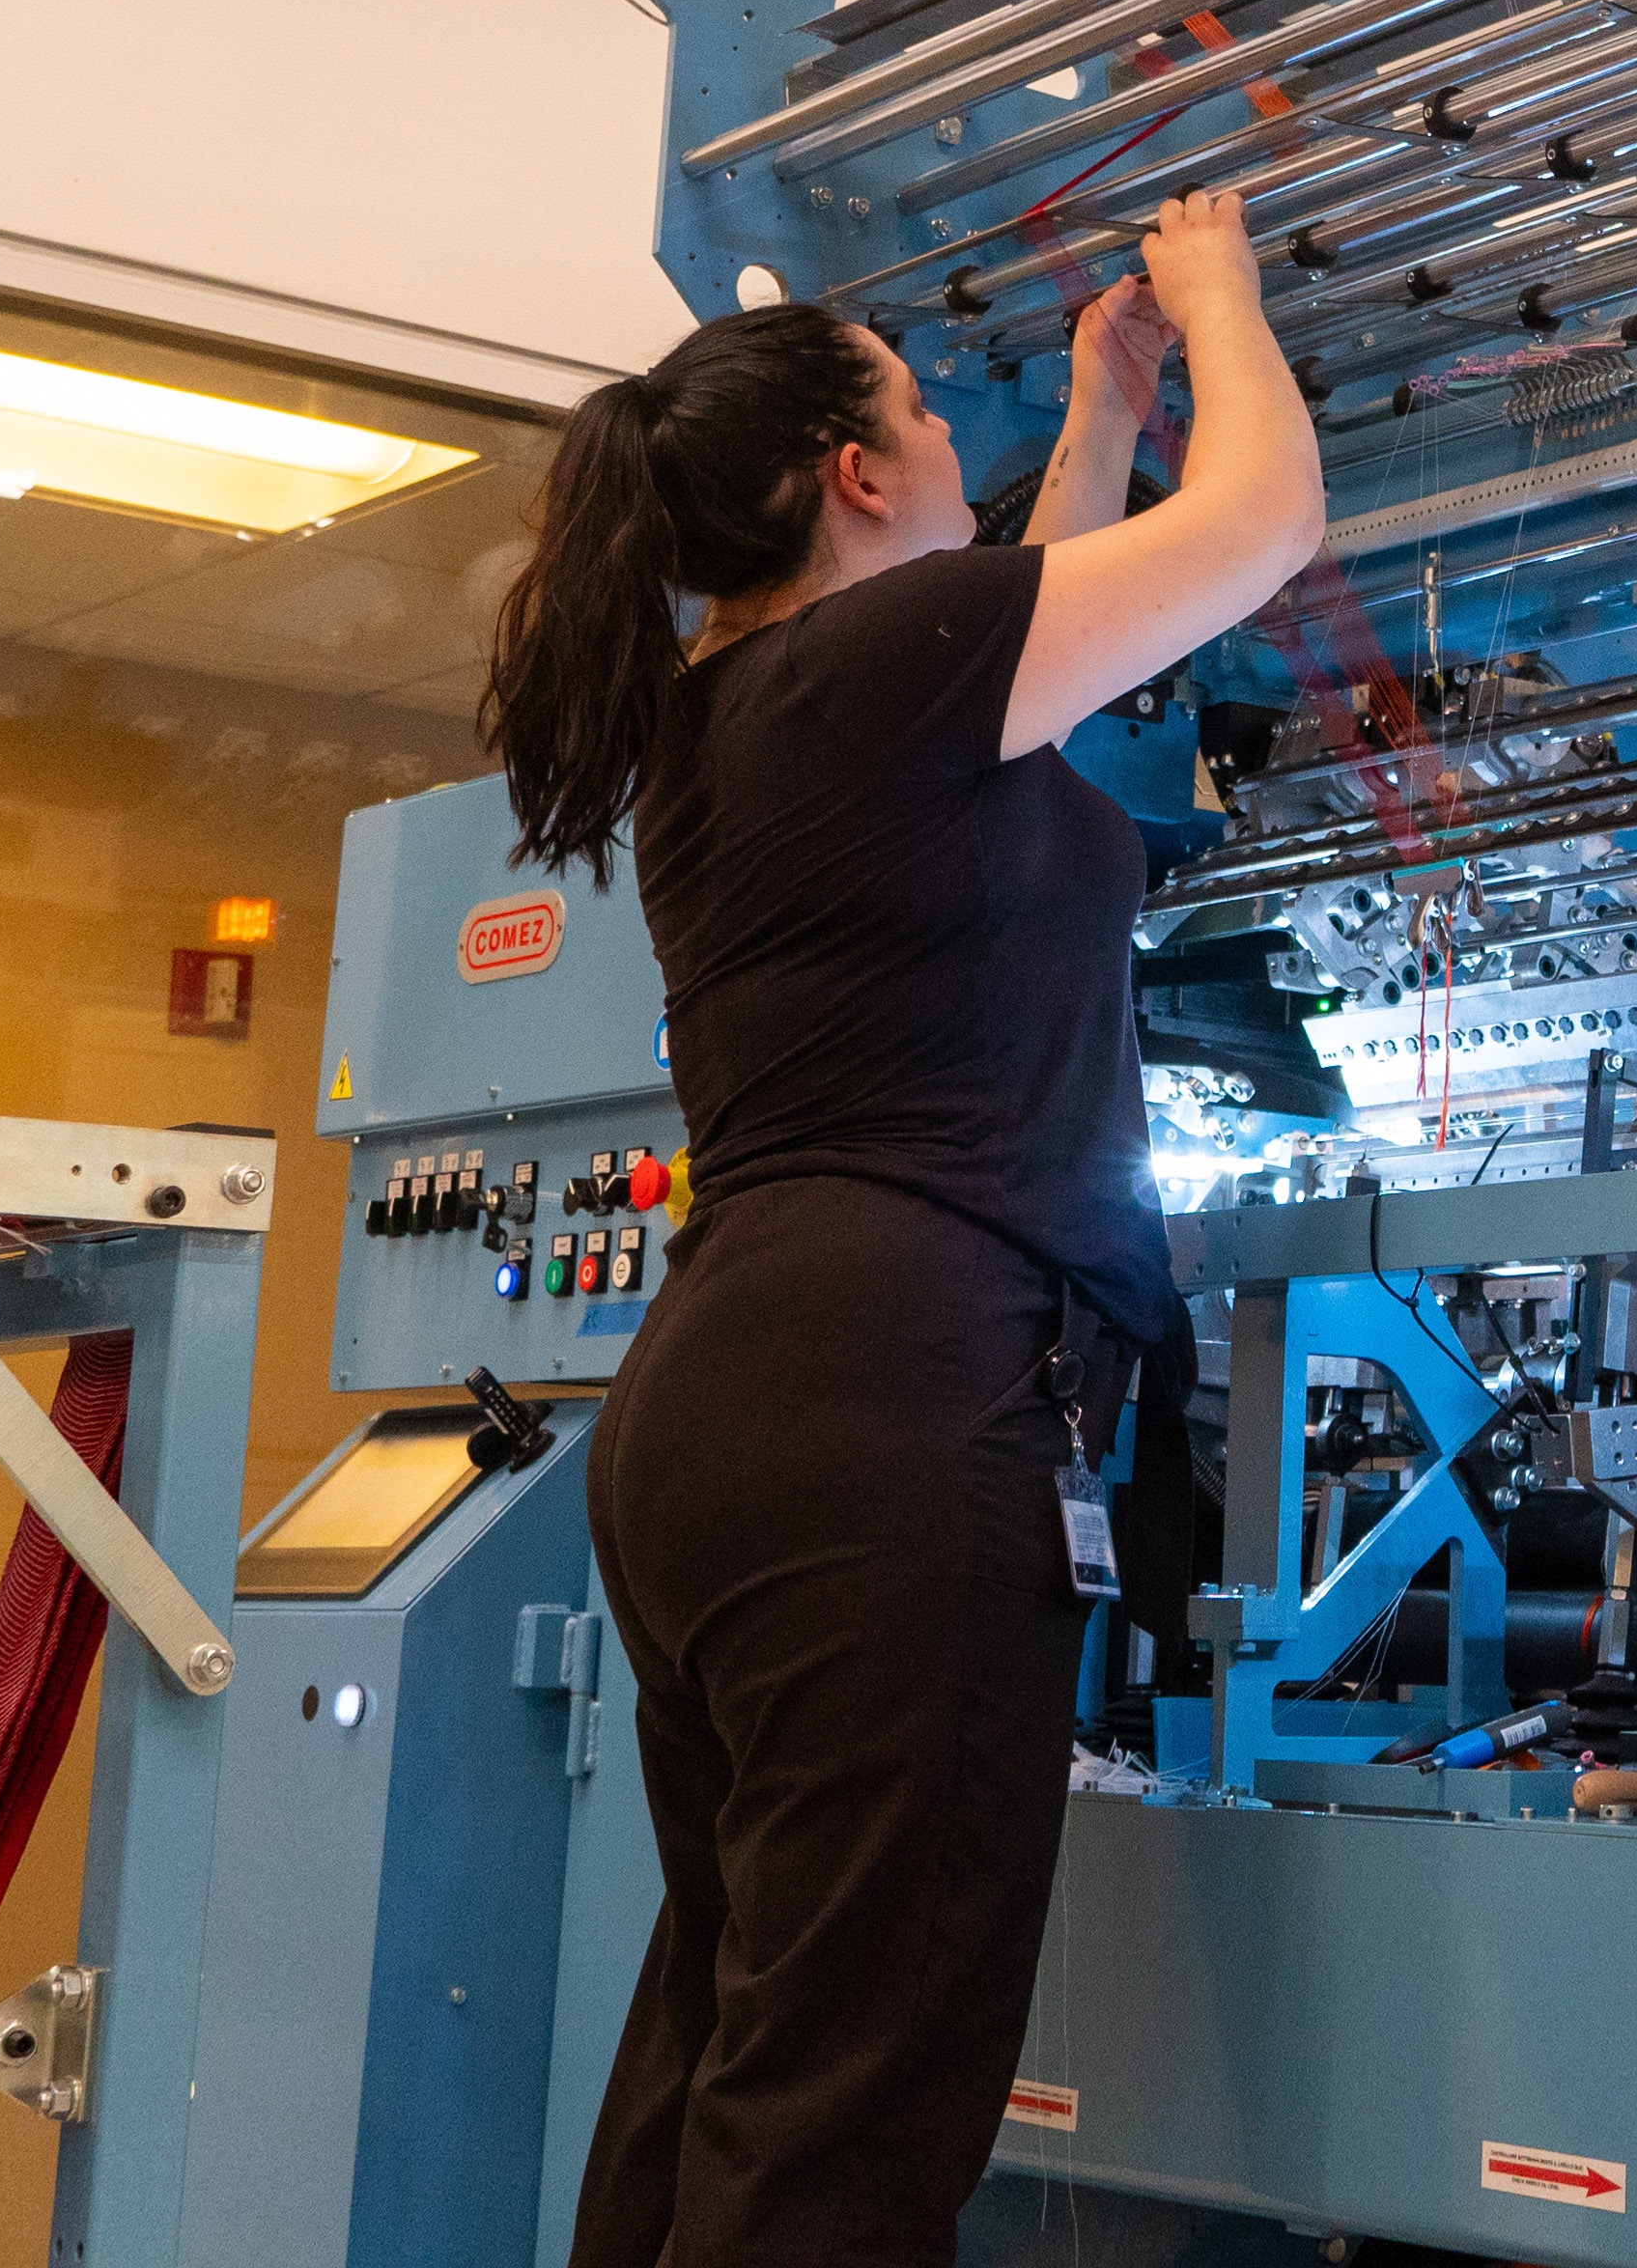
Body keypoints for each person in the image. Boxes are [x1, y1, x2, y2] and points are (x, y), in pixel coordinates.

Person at [484, 191, 1324, 2268]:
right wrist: (1213, 288)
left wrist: (1106, 402)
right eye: (931, 411)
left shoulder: (736, 706)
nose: (961, 437)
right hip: (895, 1412)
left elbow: (1033, 614)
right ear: (857, 475)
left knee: (736, 2035)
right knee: (850, 2111)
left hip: (720, 1414)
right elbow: (1262, 529)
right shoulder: (883, 660)